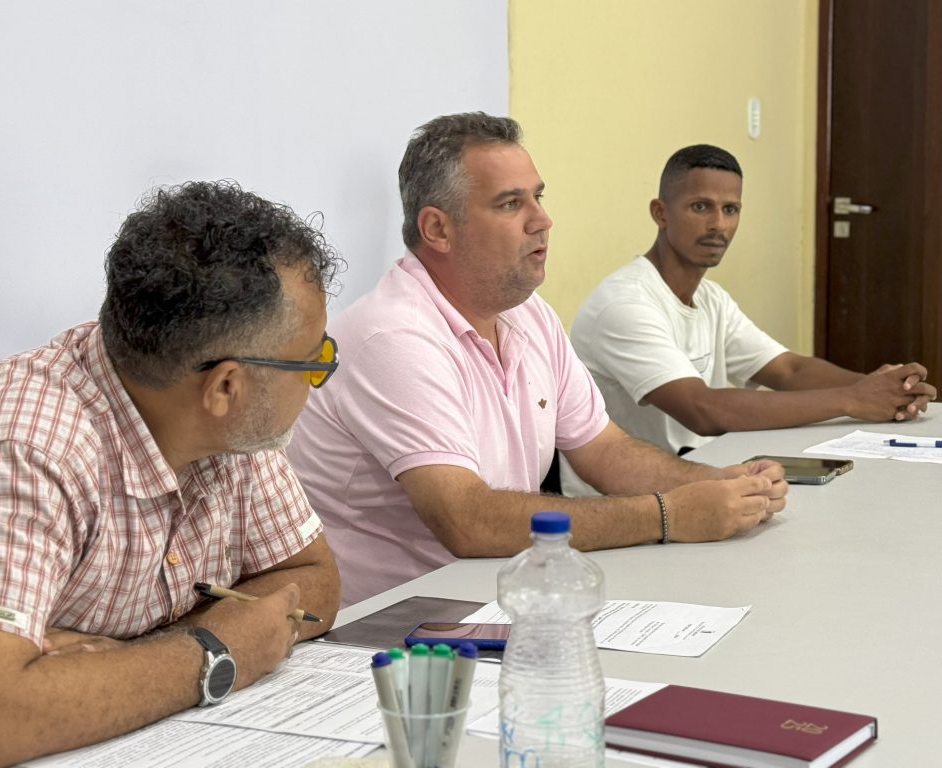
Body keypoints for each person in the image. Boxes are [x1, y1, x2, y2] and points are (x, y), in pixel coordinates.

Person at [0, 181, 343, 767]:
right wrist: (215, 650)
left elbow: (310, 577)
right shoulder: (27, 446)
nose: (320, 378)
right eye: (315, 362)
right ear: (226, 386)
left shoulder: (228, 425)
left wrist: (124, 662)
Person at [287, 113, 787, 608]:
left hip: (495, 595)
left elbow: (604, 451)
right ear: (438, 229)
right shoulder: (392, 335)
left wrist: (723, 484)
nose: (542, 220)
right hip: (391, 625)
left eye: (538, 197)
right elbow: (466, 520)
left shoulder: (528, 313)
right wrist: (669, 515)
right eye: (511, 204)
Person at [565, 144, 937, 473]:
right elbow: (702, 410)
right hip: (629, 497)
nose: (718, 225)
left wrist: (883, 388)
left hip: (700, 471)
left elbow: (788, 370)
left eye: (731, 209)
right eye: (700, 207)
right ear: (660, 213)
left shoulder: (711, 298)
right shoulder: (623, 304)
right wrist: (853, 398)